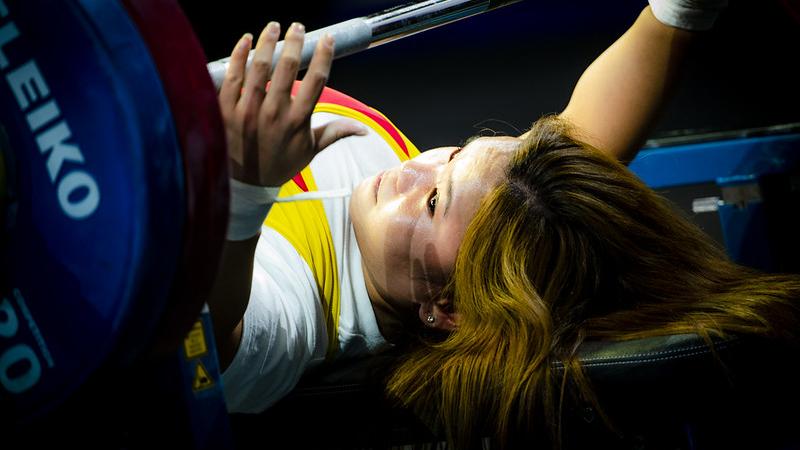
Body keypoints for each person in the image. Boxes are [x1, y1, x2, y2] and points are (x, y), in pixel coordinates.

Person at [208, 0, 800, 446]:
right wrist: (681, 10)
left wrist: (244, 191)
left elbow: (225, 338)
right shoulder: (460, 207)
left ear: (447, 309)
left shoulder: (306, 311)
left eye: (436, 203)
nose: (421, 169)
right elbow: (581, 136)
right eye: (459, 152)